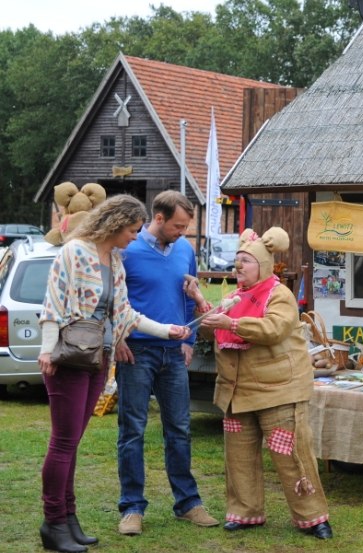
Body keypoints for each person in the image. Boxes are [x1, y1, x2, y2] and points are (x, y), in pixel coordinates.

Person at [37, 194, 190, 553]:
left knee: (71, 444)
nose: (136, 237)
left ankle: (69, 519)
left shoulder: (116, 261)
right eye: (133, 230)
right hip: (67, 357)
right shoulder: (76, 252)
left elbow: (126, 316)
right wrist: (47, 349)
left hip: (97, 358)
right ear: (117, 223)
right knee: (62, 443)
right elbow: (53, 302)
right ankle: (53, 521)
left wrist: (168, 330)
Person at [192, 227, 333, 539]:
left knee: (292, 456)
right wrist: (205, 311)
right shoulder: (232, 298)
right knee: (238, 458)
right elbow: (214, 331)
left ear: (264, 266)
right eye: (237, 260)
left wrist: (231, 323)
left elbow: (274, 330)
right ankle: (245, 513)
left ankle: (313, 517)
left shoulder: (278, 295)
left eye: (247, 261)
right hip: (236, 392)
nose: (239, 266)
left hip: (277, 391)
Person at [113, 191, 218, 536]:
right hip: (136, 353)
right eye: (178, 226)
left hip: (173, 355)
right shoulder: (126, 250)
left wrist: (188, 340)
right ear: (158, 218)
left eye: (186, 227)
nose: (183, 233)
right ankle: (132, 508)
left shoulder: (185, 251)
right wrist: (118, 340)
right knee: (133, 431)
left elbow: (189, 292)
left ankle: (188, 503)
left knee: (180, 429)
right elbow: (113, 300)